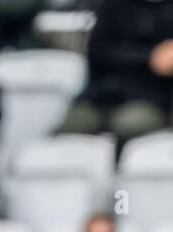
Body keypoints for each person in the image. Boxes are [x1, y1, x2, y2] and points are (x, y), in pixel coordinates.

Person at [58, 0, 173, 147]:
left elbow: (165, 60)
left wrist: (163, 60)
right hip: (101, 95)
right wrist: (149, 57)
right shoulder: (112, 5)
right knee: (72, 125)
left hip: (150, 98)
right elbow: (97, 51)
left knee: (131, 126)